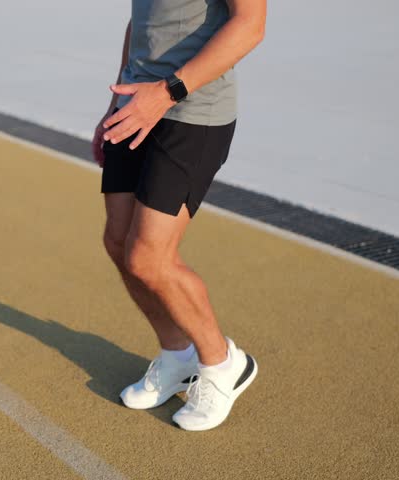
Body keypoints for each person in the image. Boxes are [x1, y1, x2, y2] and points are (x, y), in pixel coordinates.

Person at [92, 0, 266, 431]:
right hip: (137, 104)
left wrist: (167, 92)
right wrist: (116, 99)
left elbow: (251, 25)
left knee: (149, 258)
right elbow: (143, 18)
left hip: (192, 113)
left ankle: (224, 363)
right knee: (118, 241)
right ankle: (177, 356)